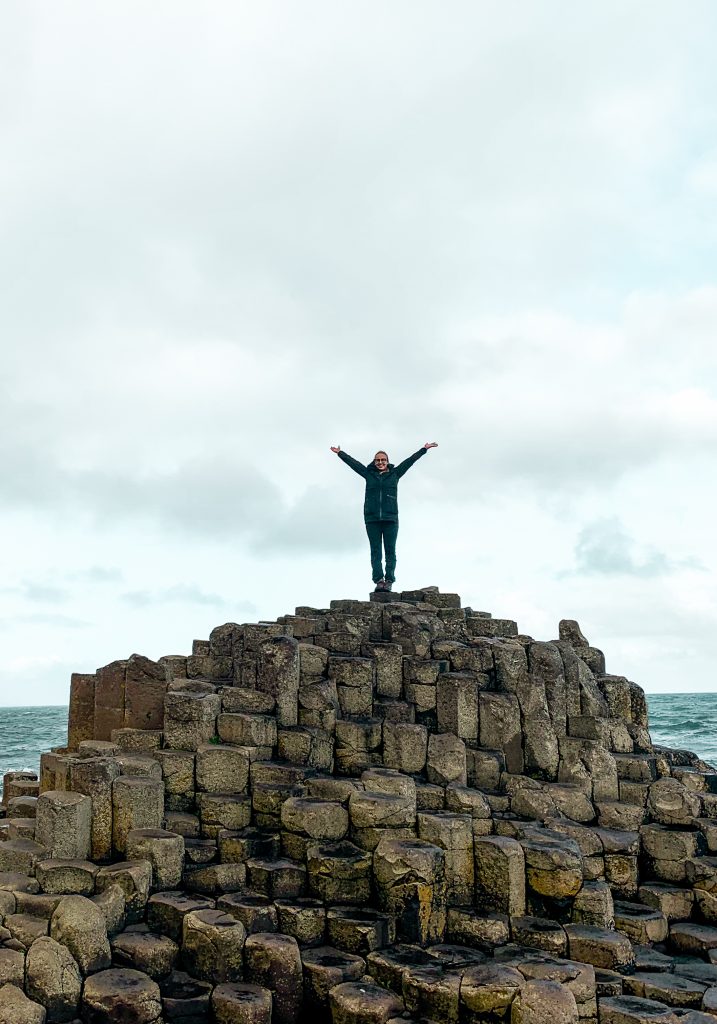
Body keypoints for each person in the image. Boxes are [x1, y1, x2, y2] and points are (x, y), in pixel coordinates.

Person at [330, 442, 438, 592]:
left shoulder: (395, 474)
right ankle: (378, 580)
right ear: (374, 462)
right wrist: (340, 453)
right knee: (375, 551)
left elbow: (410, 461)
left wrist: (424, 449)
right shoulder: (368, 474)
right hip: (372, 519)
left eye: (383, 460)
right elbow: (354, 464)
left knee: (390, 551)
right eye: (377, 460)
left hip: (390, 519)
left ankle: (389, 580)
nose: (380, 462)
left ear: (387, 461)